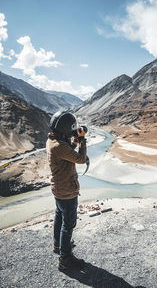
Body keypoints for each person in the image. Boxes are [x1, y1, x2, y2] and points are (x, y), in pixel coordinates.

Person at [46, 110, 87, 271]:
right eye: (70, 128)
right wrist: (83, 141)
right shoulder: (60, 146)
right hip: (67, 191)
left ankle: (58, 244)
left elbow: (67, 151)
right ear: (64, 129)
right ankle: (65, 258)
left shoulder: (53, 141)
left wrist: (74, 142)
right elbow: (81, 159)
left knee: (59, 215)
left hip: (58, 188)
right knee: (68, 225)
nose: (72, 130)